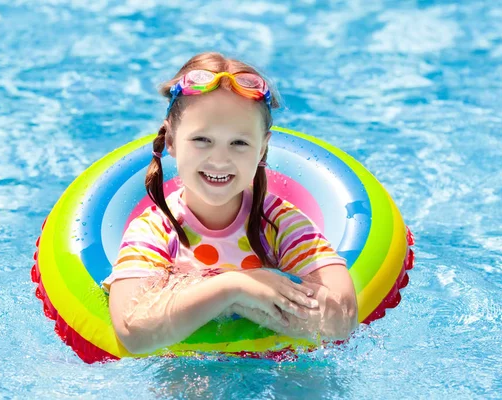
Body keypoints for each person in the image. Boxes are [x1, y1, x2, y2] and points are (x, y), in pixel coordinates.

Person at [102, 52, 358, 355]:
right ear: (170, 141)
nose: (220, 159)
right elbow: (133, 331)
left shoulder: (281, 223)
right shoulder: (155, 230)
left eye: (239, 143)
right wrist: (234, 288)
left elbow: (341, 318)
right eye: (202, 140)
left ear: (262, 150)